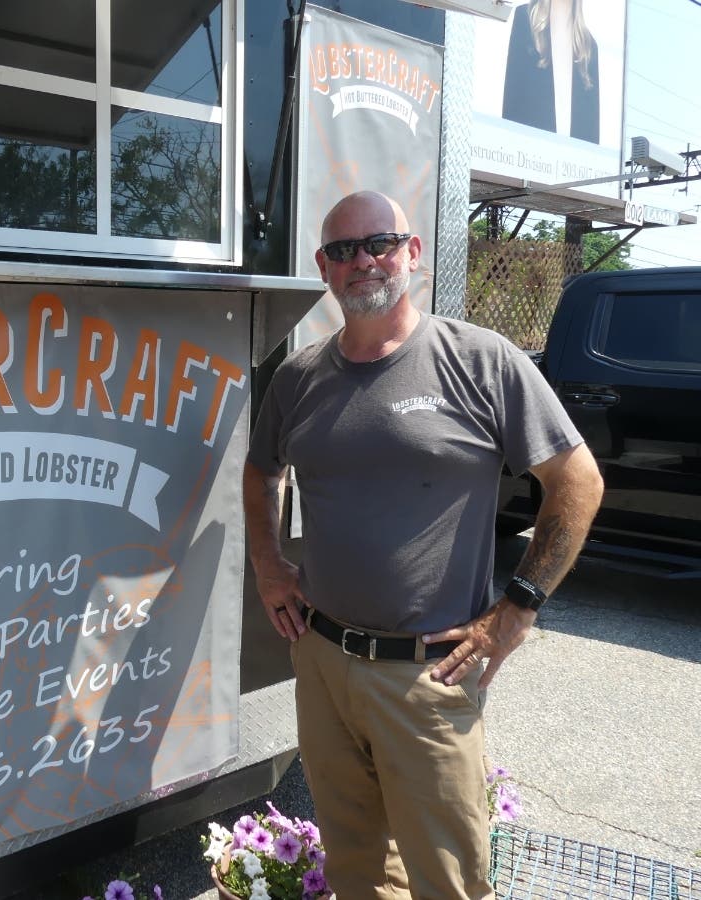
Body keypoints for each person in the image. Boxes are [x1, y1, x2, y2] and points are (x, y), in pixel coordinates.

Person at [243, 191, 604, 899]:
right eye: (344, 250)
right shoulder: (299, 378)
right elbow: (262, 470)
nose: (363, 261)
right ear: (324, 267)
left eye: (379, 242)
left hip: (426, 676)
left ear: (411, 252)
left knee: (447, 879)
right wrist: (267, 565)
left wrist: (518, 608)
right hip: (322, 659)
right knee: (357, 869)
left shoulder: (479, 360)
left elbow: (578, 483)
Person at [501, 0, 600, 143]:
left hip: (573, 162)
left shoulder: (589, 47)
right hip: (526, 154)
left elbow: (591, 134)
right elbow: (512, 100)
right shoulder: (526, 19)